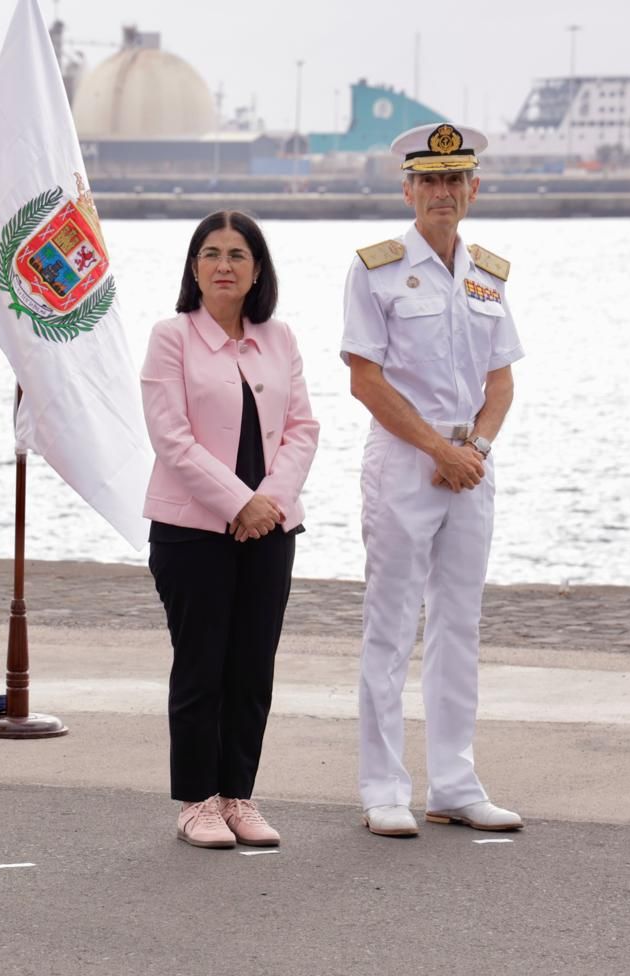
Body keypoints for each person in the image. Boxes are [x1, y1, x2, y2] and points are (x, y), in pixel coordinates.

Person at [340, 122, 524, 839]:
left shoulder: (487, 273)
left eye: (455, 181)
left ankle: (454, 782)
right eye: (430, 181)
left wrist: (472, 449)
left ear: (473, 191)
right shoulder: (376, 268)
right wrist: (438, 453)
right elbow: (365, 380)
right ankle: (384, 787)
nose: (442, 193)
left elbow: (501, 382)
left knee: (459, 625)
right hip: (404, 462)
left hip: (469, 464)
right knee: (389, 628)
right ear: (408, 189)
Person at [140, 211, 320, 849]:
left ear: (257, 270)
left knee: (252, 667)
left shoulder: (280, 337)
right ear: (194, 268)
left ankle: (238, 795)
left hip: (270, 528)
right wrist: (237, 503)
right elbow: (171, 438)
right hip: (192, 531)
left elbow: (302, 428)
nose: (224, 265)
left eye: (238, 255)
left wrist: (268, 502)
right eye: (211, 254)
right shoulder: (171, 338)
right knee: (202, 666)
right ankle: (196, 800)